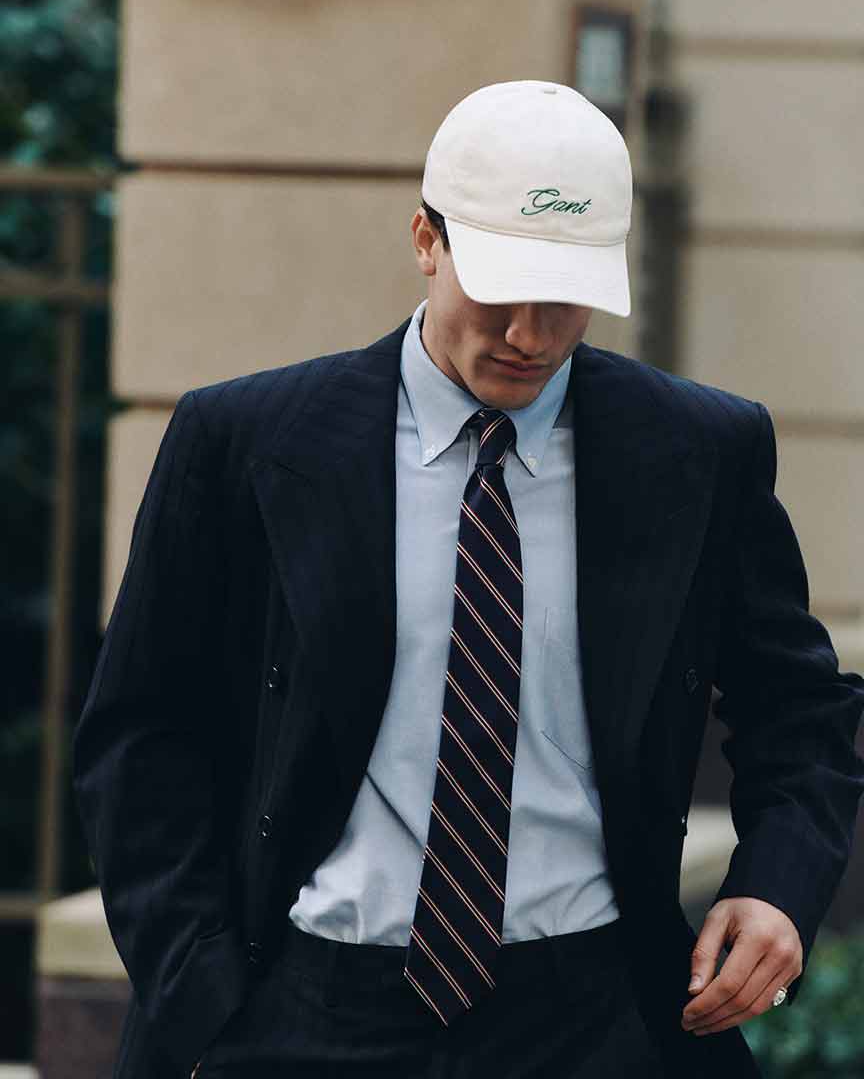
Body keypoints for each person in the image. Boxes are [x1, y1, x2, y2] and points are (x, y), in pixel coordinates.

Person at [72, 80, 864, 1079]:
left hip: (594, 1017)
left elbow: (800, 711)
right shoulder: (243, 442)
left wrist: (779, 887)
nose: (532, 333)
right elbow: (139, 734)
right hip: (305, 1013)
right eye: (501, 286)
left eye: (566, 296)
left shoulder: (700, 450)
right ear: (424, 240)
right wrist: (201, 986)